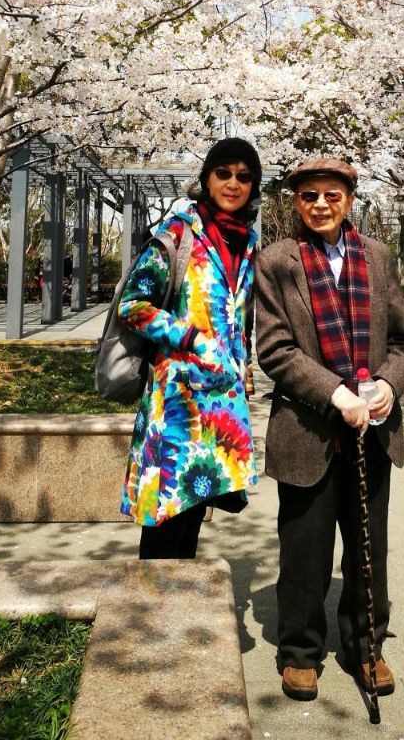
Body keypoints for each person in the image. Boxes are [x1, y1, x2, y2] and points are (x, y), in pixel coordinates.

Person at [255, 156, 404, 702]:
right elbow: (275, 349)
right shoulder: (275, 261)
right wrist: (335, 393)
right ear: (295, 202)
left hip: (374, 428)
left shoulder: (378, 256)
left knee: (369, 547)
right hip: (308, 428)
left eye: (332, 194)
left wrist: (389, 384)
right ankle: (300, 651)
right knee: (305, 548)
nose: (321, 204)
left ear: (349, 199)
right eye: (309, 195)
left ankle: (366, 646)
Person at [118, 137, 261, 559]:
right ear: (206, 179)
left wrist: (244, 365)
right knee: (167, 516)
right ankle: (150, 598)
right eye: (223, 174)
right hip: (177, 403)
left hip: (220, 404)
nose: (233, 184)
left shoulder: (247, 244)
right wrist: (192, 337)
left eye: (243, 177)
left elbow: (239, 316)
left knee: (194, 516)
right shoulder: (178, 234)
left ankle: (182, 598)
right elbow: (133, 306)